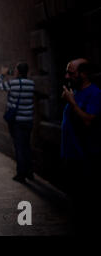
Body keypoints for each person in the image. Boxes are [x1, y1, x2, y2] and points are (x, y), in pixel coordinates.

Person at [61, 58, 101, 235]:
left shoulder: (95, 93)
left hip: (86, 157)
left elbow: (87, 121)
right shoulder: (75, 92)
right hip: (72, 156)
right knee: (75, 201)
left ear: (83, 74)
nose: (67, 75)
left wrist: (71, 101)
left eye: (71, 72)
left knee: (87, 203)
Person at [0, 63, 35, 183]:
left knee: (19, 147)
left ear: (17, 71)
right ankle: (29, 172)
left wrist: (2, 74)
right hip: (28, 120)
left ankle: (21, 174)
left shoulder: (13, 84)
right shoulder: (31, 84)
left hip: (16, 121)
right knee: (27, 146)